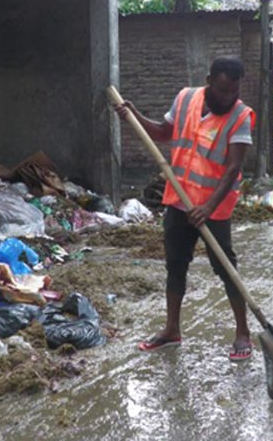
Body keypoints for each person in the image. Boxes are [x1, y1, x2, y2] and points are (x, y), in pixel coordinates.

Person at [114, 58, 256, 361]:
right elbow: (165, 133)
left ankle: (243, 332)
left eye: (233, 91)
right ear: (208, 81)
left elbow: (233, 168)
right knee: (175, 265)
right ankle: (171, 329)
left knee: (225, 267)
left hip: (213, 208)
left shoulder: (241, 115)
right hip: (178, 200)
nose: (228, 97)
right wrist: (134, 116)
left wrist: (208, 206)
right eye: (221, 90)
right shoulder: (185, 98)